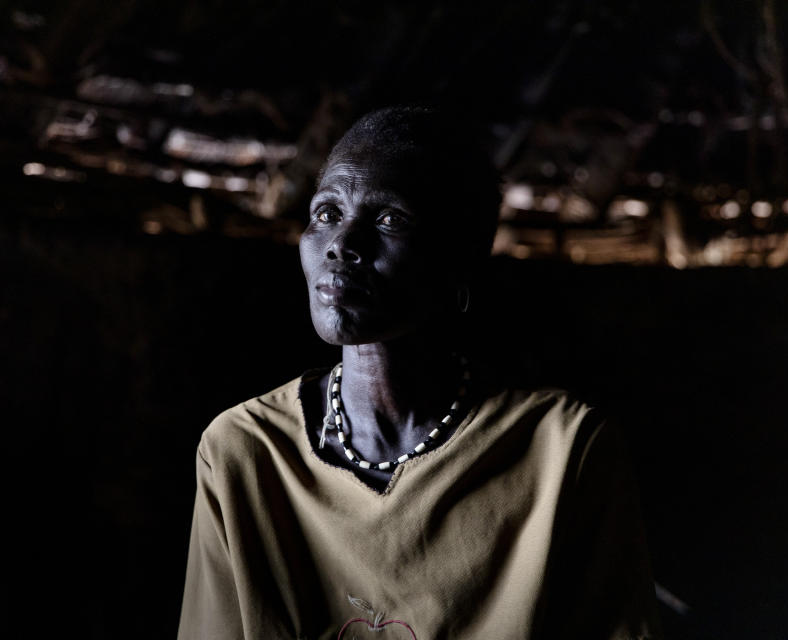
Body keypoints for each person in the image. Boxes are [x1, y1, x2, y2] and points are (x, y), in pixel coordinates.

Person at [178, 106, 661, 639]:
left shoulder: (560, 452)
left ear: (461, 263)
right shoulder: (243, 452)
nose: (342, 244)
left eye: (390, 220)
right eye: (327, 213)